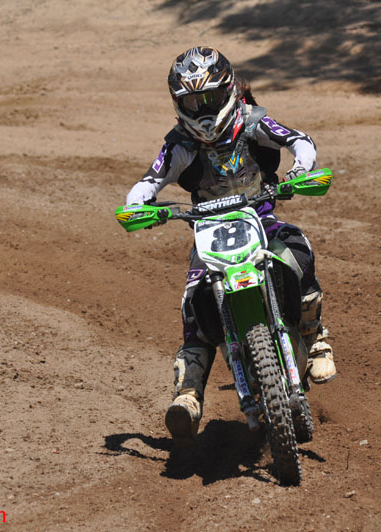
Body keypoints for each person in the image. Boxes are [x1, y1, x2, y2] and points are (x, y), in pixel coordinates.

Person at [124, 46, 335, 445]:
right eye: (192, 102)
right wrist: (139, 206)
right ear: (178, 104)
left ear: (229, 90)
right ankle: (188, 395)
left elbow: (299, 141)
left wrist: (299, 170)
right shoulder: (179, 144)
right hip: (210, 233)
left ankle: (315, 337)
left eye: (209, 98)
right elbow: (148, 182)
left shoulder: (252, 122)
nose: (203, 109)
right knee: (193, 302)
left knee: (298, 251)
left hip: (261, 220)